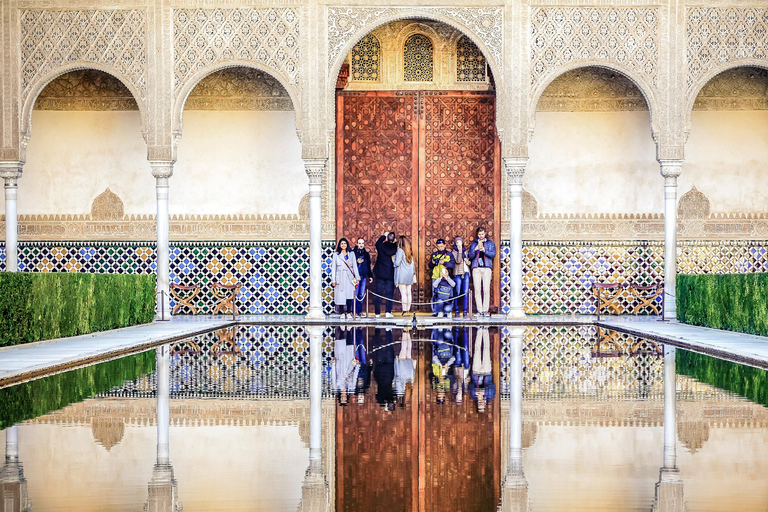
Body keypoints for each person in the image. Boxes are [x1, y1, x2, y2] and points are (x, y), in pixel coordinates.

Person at [468, 226, 496, 317]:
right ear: (477, 234)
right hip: (476, 268)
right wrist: (475, 250)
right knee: (477, 290)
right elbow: (470, 256)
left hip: (486, 268)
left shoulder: (490, 243)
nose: (481, 236)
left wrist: (485, 250)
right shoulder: (473, 244)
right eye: (479, 234)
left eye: (482, 234)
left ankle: (485, 310)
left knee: (486, 289)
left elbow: (493, 254)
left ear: (485, 234)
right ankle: (479, 310)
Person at [331, 238, 360, 319]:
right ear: (340, 245)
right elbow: (333, 268)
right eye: (342, 243)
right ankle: (342, 312)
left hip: (349, 277)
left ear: (347, 244)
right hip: (340, 277)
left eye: (345, 243)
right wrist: (333, 280)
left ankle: (349, 312)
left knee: (349, 295)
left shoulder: (351, 254)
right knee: (340, 296)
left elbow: (354, 266)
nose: (343, 245)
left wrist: (357, 278)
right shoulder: (336, 255)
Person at [468, 326, 495, 413]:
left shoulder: (473, 396)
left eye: (479, 406)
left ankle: (480, 330)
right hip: (486, 372)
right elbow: (492, 385)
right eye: (482, 406)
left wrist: (476, 391)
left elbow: (470, 385)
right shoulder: (490, 396)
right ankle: (485, 330)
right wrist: (484, 392)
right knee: (486, 351)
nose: (481, 405)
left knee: (477, 350)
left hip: (476, 372)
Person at [331, 326, 360, 406]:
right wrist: (357, 366)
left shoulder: (336, 387)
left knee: (339, 342)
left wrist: (333, 364)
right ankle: (349, 327)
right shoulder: (351, 388)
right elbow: (355, 377)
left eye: (342, 399)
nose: (343, 397)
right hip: (349, 362)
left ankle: (340, 325)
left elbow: (334, 376)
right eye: (345, 399)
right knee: (349, 344)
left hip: (340, 363)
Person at [373, 231, 398, 318]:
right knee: (389, 294)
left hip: (380, 274)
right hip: (389, 274)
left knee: (378, 294)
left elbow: (377, 243)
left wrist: (383, 236)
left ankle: (377, 313)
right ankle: (388, 312)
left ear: (387, 238)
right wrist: (395, 242)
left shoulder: (381, 246)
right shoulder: (394, 248)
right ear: (394, 239)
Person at [428, 238, 455, 317]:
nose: (440, 248)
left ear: (445, 245)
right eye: (439, 246)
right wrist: (433, 262)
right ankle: (435, 311)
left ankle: (447, 310)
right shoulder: (434, 254)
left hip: (446, 278)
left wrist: (445, 263)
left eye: (442, 246)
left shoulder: (449, 254)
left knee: (447, 295)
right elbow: (430, 266)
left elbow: (452, 265)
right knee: (435, 295)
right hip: (436, 277)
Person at [394, 235, 416, 315]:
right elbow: (412, 264)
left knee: (403, 293)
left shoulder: (400, 251)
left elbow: (397, 263)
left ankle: (404, 310)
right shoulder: (409, 250)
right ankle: (408, 310)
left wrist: (393, 260)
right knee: (408, 292)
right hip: (409, 274)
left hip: (402, 274)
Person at [353, 238, 372, 316]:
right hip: (355, 277)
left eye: (362, 243)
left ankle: (359, 311)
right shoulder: (353, 253)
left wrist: (370, 276)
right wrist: (356, 262)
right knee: (355, 294)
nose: (361, 245)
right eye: (359, 243)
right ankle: (354, 311)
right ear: (357, 244)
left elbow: (368, 265)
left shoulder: (366, 254)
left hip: (363, 276)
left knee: (361, 294)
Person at [451, 236, 470, 317]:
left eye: (460, 242)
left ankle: (465, 311)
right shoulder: (454, 252)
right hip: (457, 274)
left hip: (465, 273)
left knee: (465, 292)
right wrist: (459, 251)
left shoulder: (465, 252)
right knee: (457, 292)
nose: (459, 244)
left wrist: (469, 262)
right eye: (457, 242)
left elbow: (469, 261)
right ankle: (456, 310)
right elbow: (458, 261)